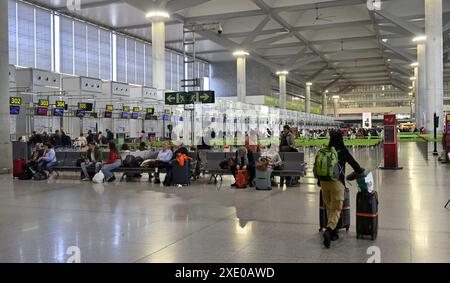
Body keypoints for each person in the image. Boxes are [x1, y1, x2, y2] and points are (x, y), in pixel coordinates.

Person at [318, 131, 365, 248]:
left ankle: (333, 231)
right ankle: (329, 231)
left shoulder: (326, 150)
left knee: (329, 207)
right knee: (336, 209)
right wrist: (360, 171)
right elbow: (356, 166)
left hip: (324, 182)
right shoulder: (343, 151)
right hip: (337, 183)